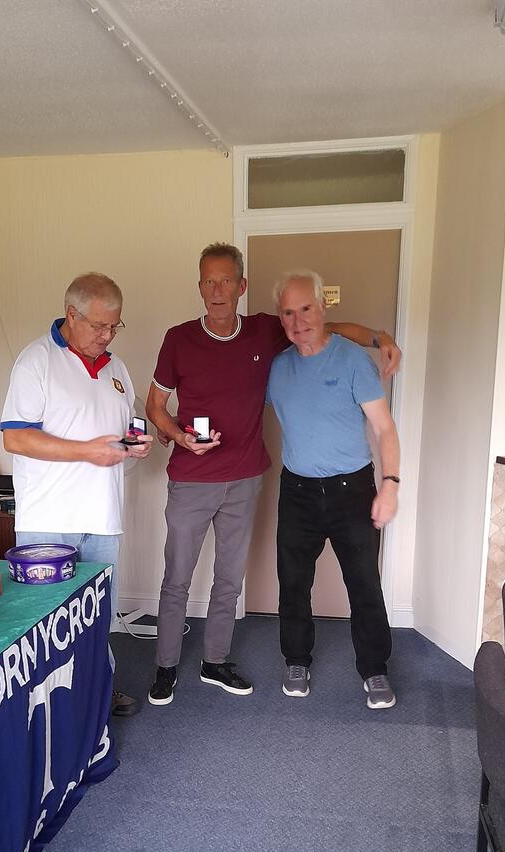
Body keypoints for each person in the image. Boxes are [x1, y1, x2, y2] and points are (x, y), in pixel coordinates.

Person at [145, 242, 400, 707]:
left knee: (245, 579)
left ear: (242, 286)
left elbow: (324, 330)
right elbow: (157, 406)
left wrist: (379, 336)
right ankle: (172, 667)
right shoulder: (200, 342)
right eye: (208, 280)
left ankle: (221, 661)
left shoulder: (275, 336)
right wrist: (177, 436)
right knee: (201, 579)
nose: (217, 289)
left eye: (226, 280)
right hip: (233, 482)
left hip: (284, 483)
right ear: (199, 286)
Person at [0, 272, 152, 717]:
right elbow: (16, 438)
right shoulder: (37, 361)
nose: (107, 336)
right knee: (45, 620)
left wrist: (135, 444)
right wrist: (87, 452)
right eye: (99, 326)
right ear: (72, 314)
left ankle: (98, 690)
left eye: (114, 327)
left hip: (102, 517)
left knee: (97, 617)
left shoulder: (117, 370)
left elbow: (129, 426)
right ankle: (46, 709)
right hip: (50, 518)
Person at [266, 269, 400, 710]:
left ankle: (375, 668)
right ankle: (296, 659)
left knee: (363, 584)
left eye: (306, 308)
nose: (298, 319)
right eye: (288, 311)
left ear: (323, 308)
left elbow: (384, 427)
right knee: (293, 582)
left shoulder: (353, 361)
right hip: (298, 491)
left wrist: (390, 485)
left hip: (352, 490)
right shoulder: (277, 366)